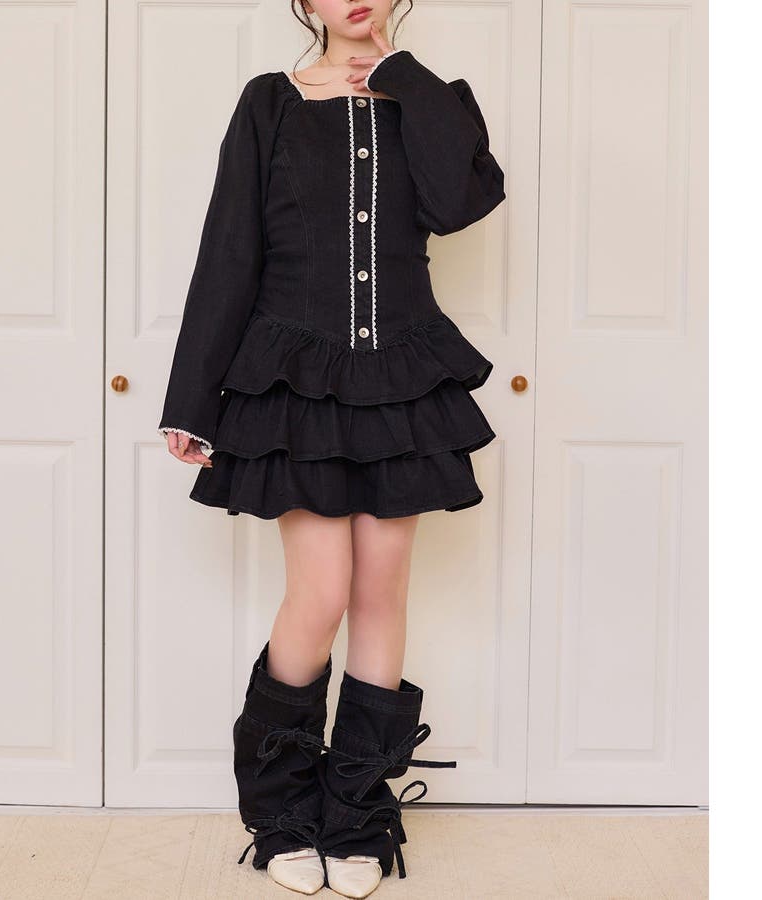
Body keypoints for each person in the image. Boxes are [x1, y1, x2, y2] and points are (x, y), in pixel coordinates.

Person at [157, 2, 505, 896]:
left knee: (383, 592)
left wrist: (402, 78)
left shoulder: (430, 97)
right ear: (304, 4)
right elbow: (230, 249)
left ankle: (355, 813)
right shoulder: (268, 102)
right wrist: (193, 399)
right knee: (320, 594)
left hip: (401, 382)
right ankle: (280, 813)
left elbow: (461, 203)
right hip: (296, 387)